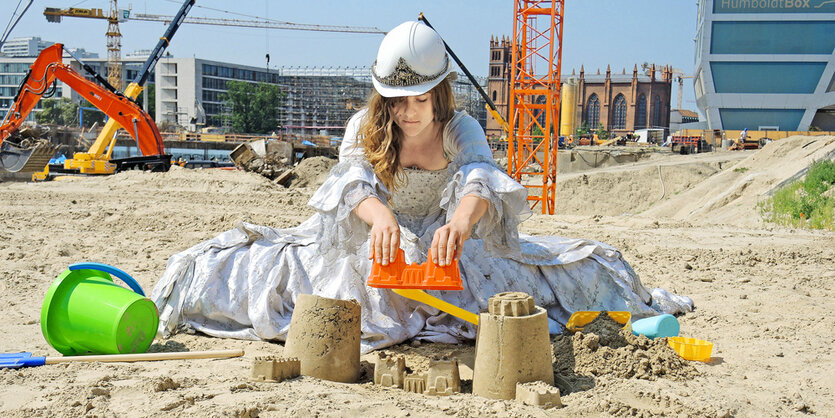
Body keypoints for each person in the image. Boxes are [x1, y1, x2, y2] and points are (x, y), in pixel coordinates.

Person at [152, 21, 692, 353]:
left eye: (419, 100)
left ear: (439, 93)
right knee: (276, 277)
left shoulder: (462, 128)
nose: (408, 113)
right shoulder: (365, 128)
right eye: (396, 100)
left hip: (445, 239)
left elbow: (481, 177)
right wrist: (381, 217)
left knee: (569, 275)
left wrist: (460, 223)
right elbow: (351, 181)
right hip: (375, 240)